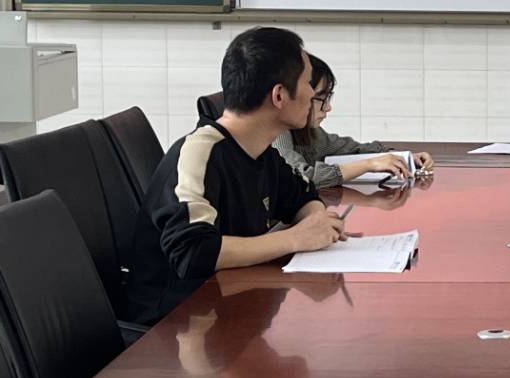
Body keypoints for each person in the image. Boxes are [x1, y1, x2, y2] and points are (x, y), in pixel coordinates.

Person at [124, 26, 348, 322]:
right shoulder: (199, 153)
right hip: (175, 327)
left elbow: (302, 194)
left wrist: (317, 222)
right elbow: (193, 252)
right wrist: (296, 239)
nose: (313, 94)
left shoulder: (261, 150)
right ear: (279, 95)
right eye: (309, 83)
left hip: (231, 306)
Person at [276, 55, 435, 189]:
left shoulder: (310, 133)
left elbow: (351, 149)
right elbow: (300, 178)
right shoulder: (277, 135)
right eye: (321, 98)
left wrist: (401, 157)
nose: (328, 107)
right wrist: (368, 165)